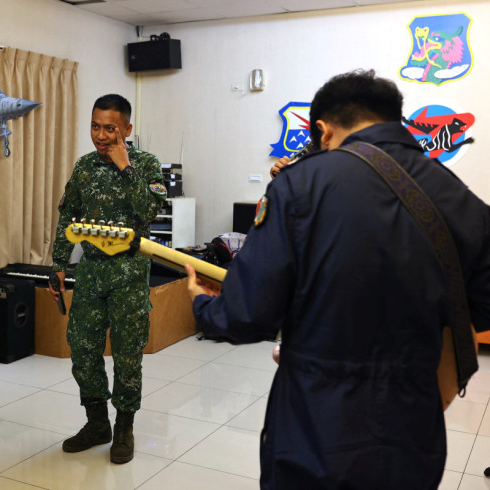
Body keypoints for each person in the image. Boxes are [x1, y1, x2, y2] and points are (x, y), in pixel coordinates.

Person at [186, 69, 490, 489]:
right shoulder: (459, 197)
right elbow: (482, 307)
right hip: (413, 426)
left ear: (322, 130)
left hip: (316, 423)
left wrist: (202, 304)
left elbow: (247, 315)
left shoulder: (300, 185)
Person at [49, 94, 167, 464]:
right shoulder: (84, 166)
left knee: (128, 356)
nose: (101, 135)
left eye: (110, 128)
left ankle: (124, 428)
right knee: (83, 351)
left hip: (130, 273)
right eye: (95, 126)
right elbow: (68, 214)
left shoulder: (146, 164)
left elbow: (149, 211)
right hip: (91, 272)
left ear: (127, 129)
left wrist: (124, 167)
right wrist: (58, 263)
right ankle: (97, 423)